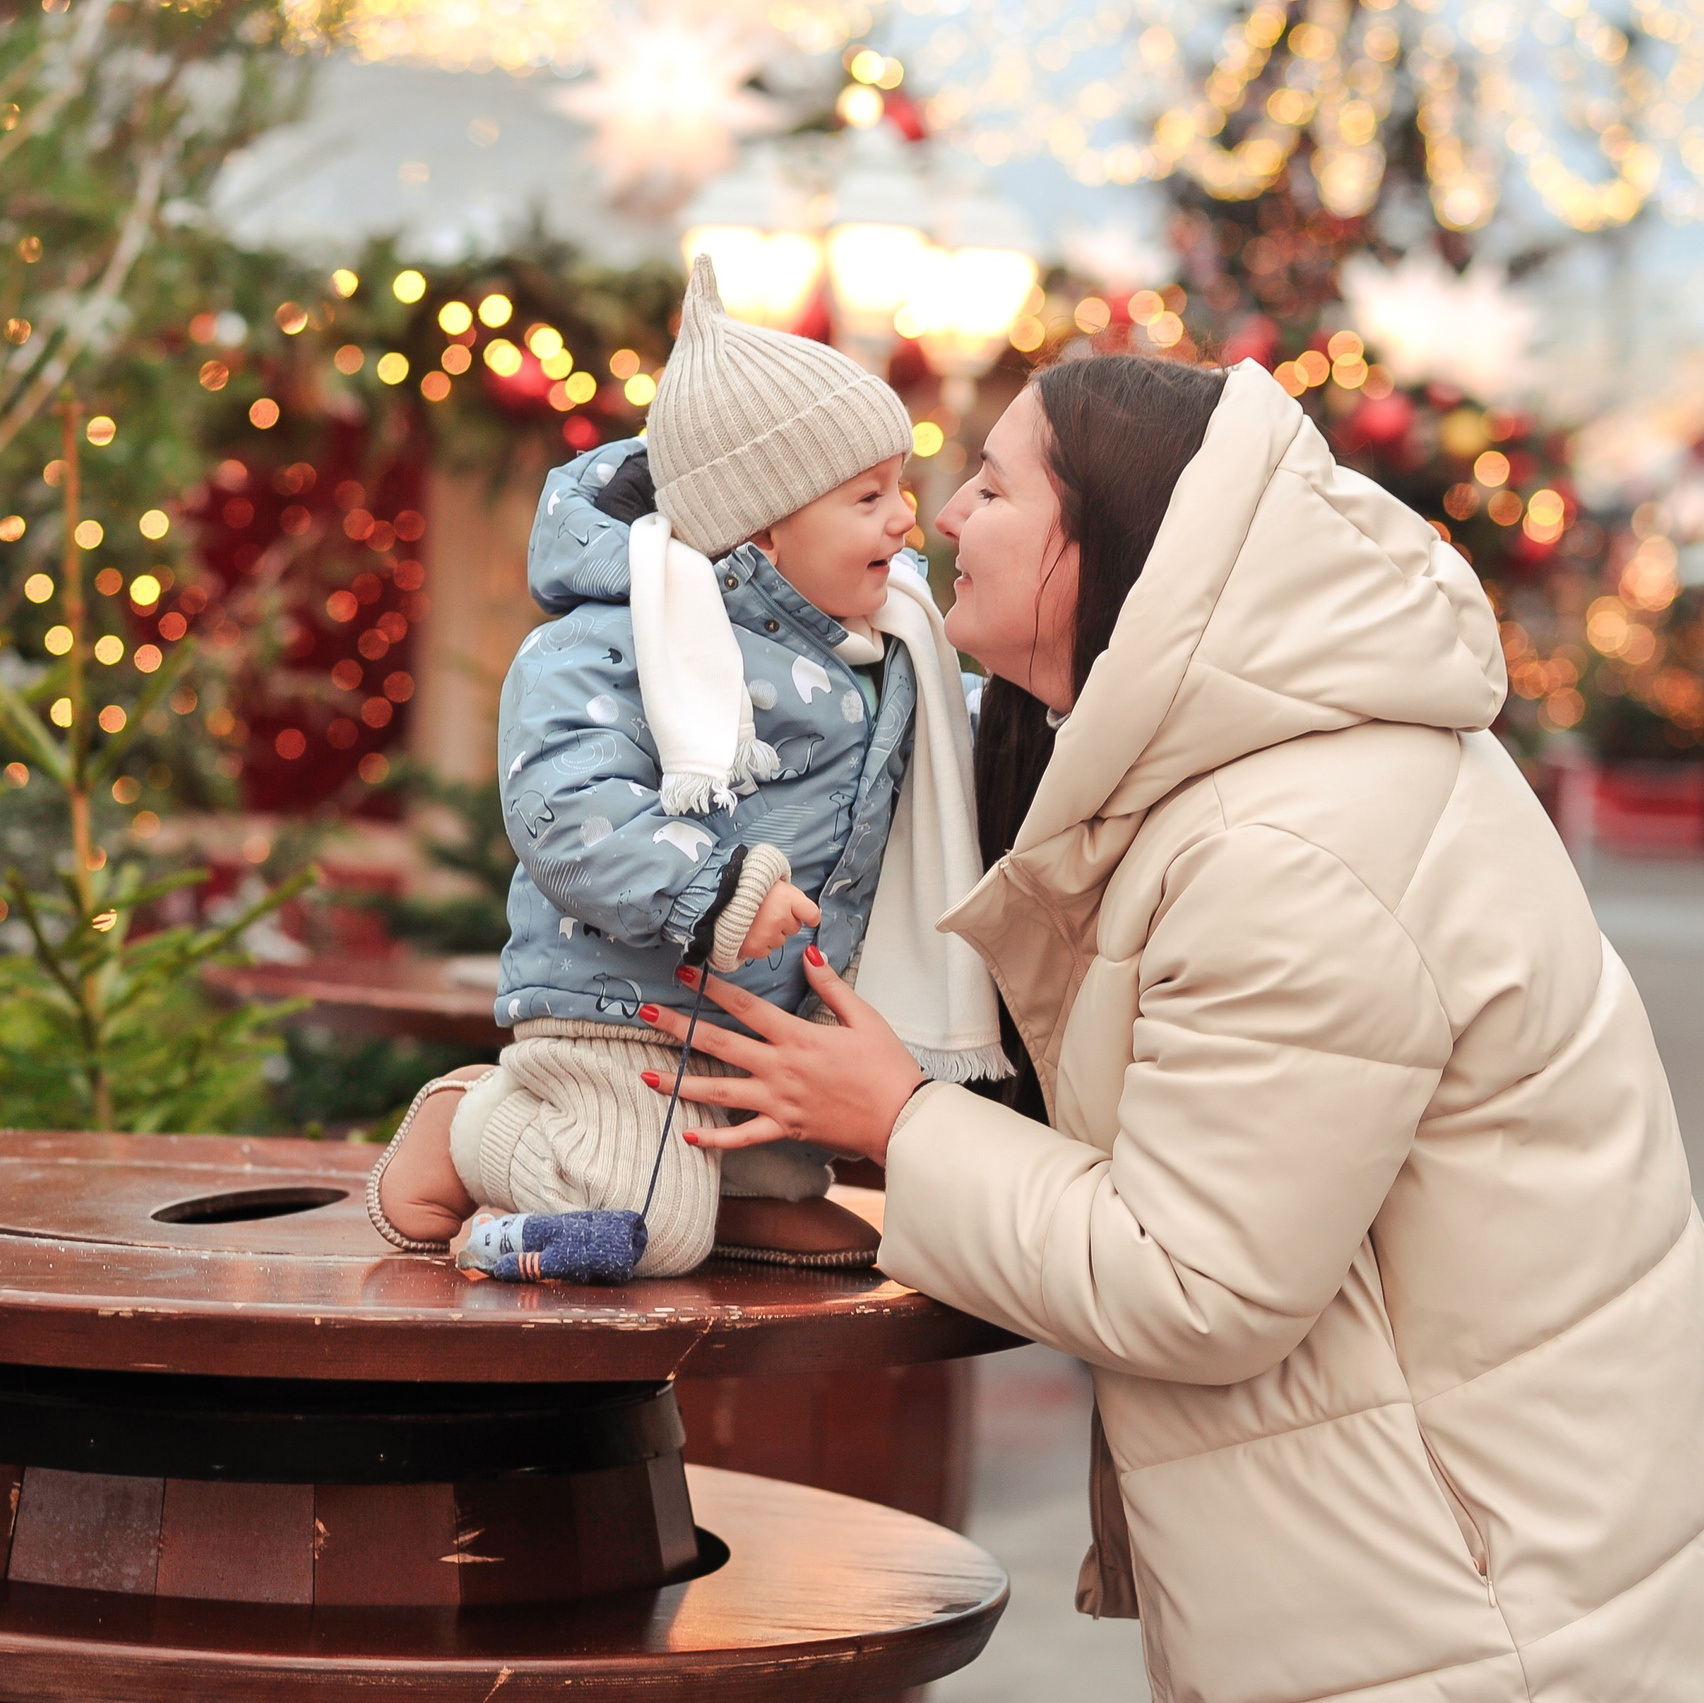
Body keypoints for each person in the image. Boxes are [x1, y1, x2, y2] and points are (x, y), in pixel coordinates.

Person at [636, 353, 1704, 1697]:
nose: (943, 515)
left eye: (992, 487)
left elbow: (1199, 1280)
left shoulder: (1292, 847)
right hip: (1443, 1556)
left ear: (1122, 542)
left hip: (1466, 1613)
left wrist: (900, 1118)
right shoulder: (1248, 768)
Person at [366, 255, 1003, 1277]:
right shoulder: (615, 640)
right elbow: (566, 807)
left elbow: (949, 740)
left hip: (765, 1007)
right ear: (763, 526)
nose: (905, 518)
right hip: (624, 1000)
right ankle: (474, 1120)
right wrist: (713, 888)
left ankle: (743, 1188)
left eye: (900, 488)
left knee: (736, 1172)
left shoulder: (882, 645)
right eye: (868, 496)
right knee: (649, 1231)